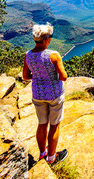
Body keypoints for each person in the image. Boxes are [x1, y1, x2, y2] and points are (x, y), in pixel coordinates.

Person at [23, 23, 68, 165]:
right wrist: (49, 78)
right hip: (54, 95)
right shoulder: (53, 55)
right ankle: (52, 158)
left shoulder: (28, 55)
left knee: (42, 124)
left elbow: (25, 76)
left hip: (38, 95)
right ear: (46, 39)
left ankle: (43, 153)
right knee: (54, 126)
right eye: (51, 37)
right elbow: (63, 77)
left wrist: (39, 76)